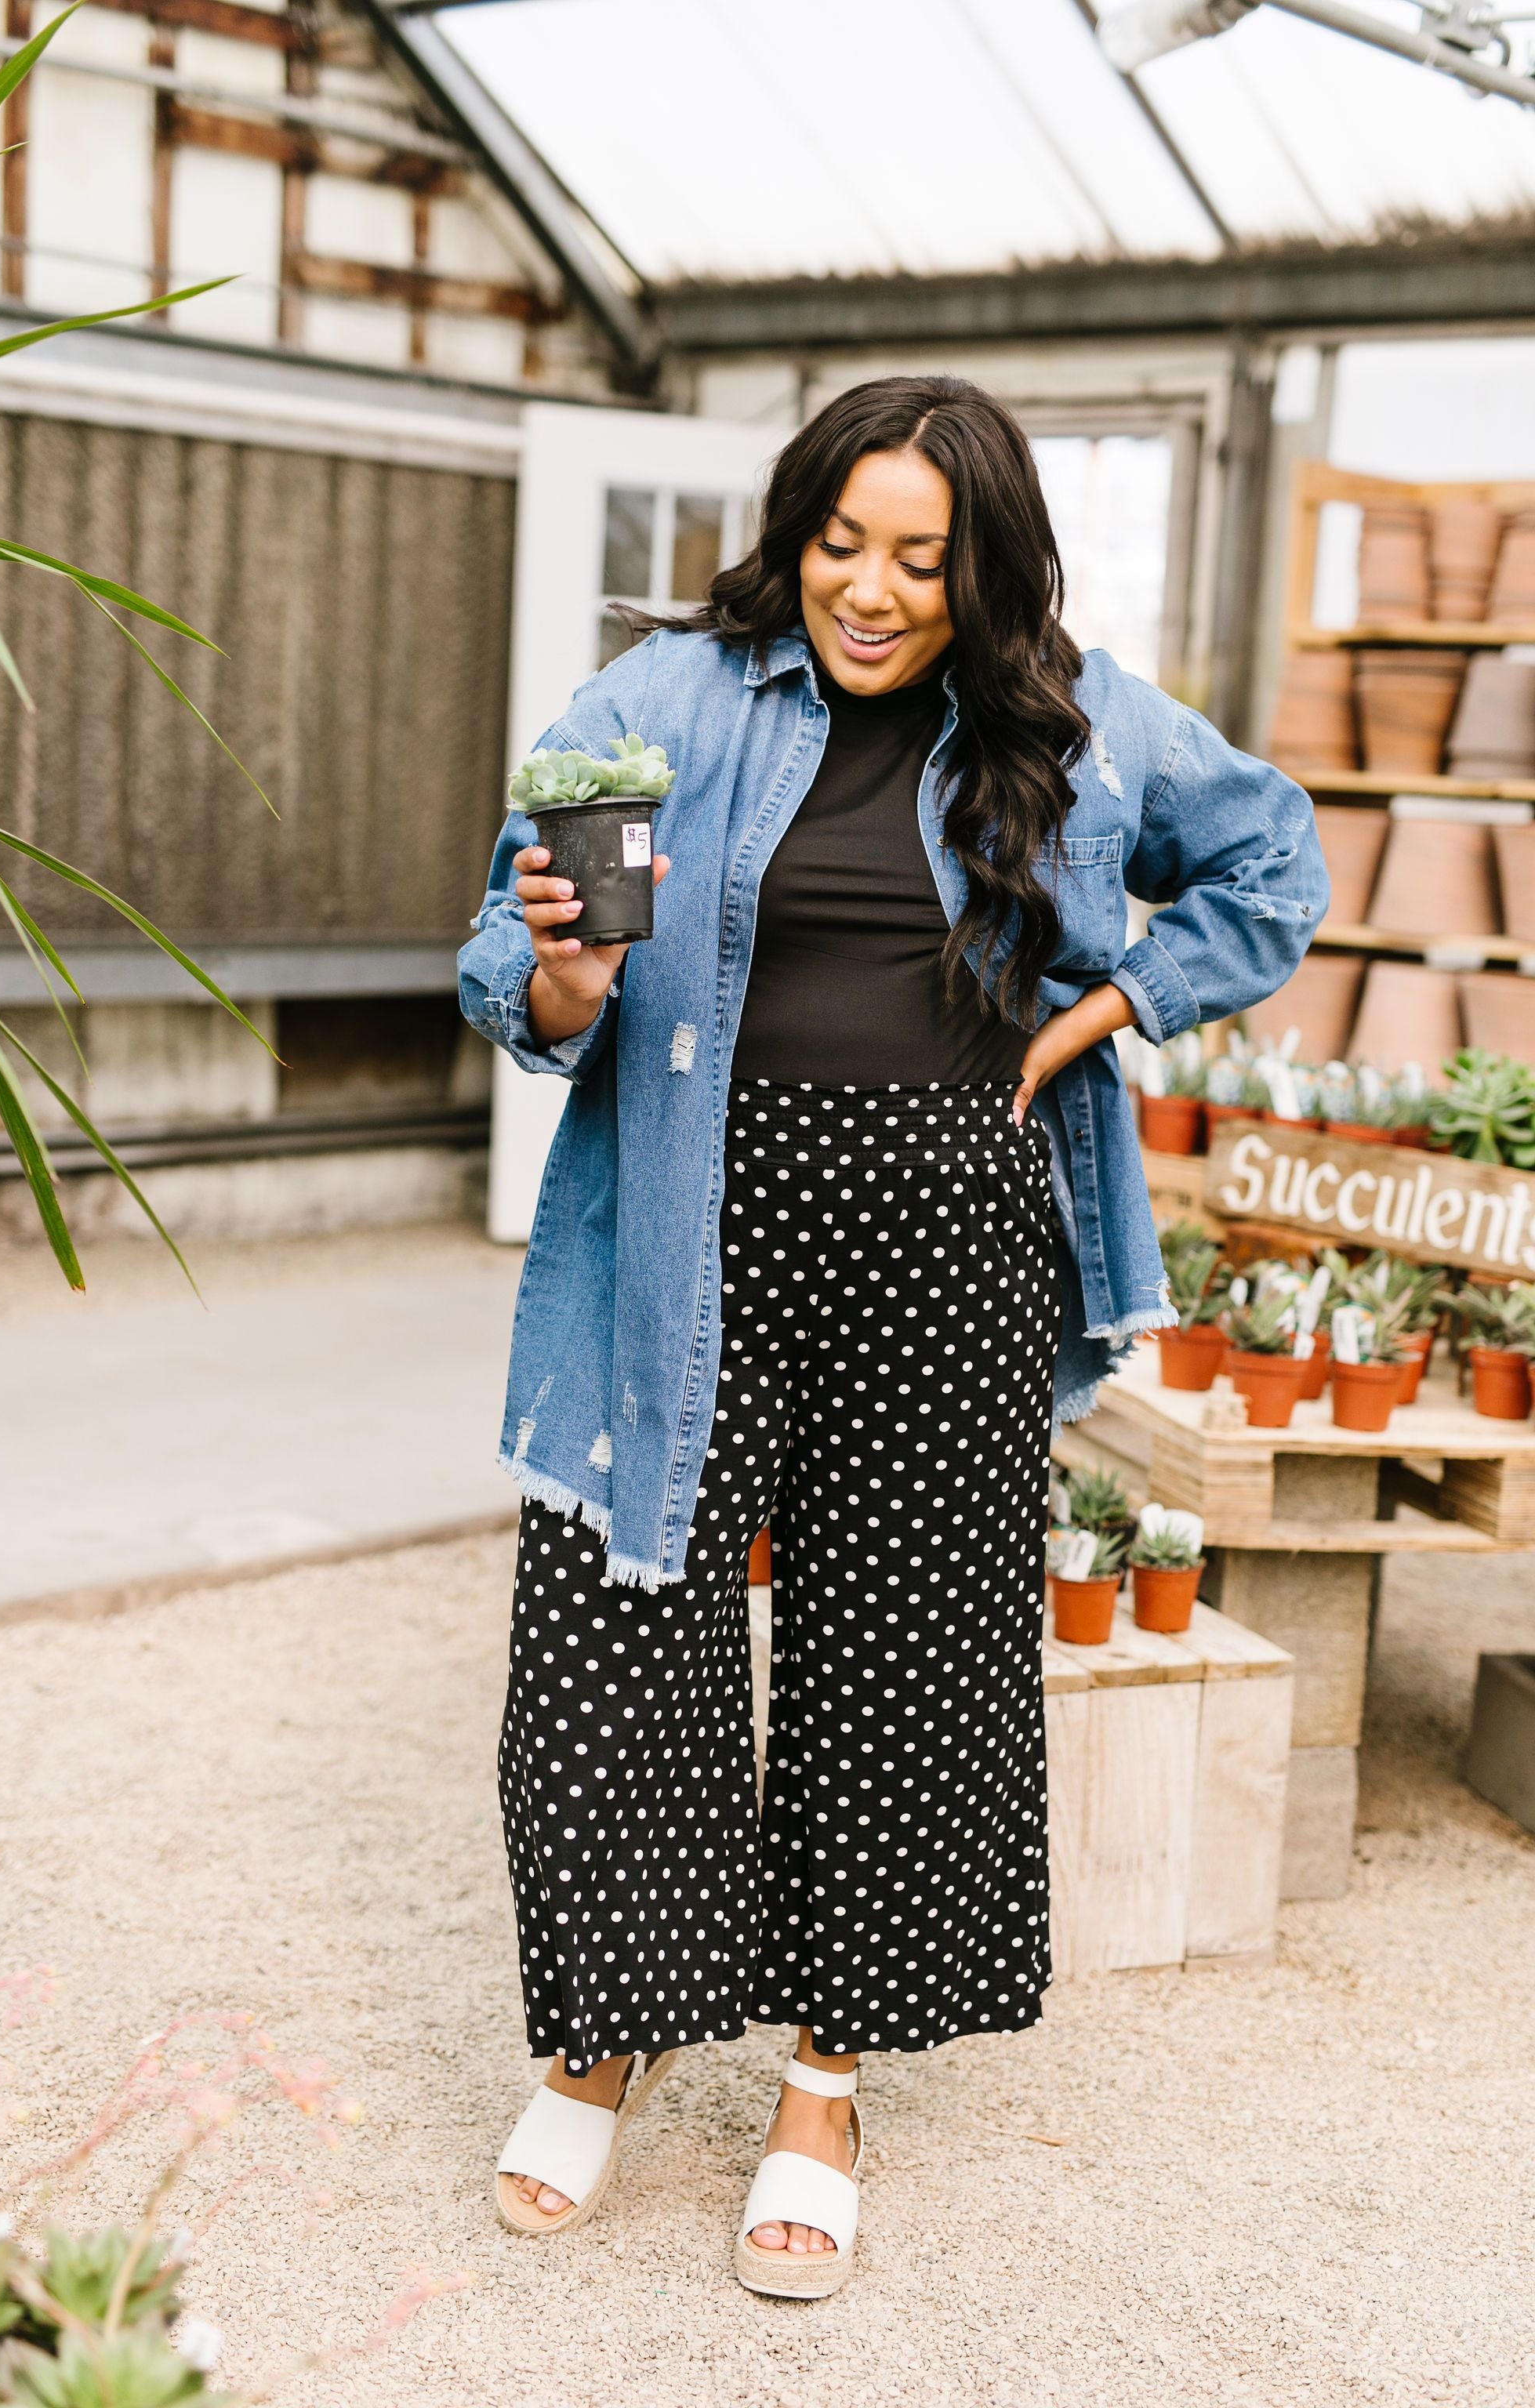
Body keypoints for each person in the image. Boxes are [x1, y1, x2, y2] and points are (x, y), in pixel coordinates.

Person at [457, 374, 1326, 2297]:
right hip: (689, 1234)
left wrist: (1100, 1015)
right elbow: (501, 972)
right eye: (841, 544)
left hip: (944, 1243)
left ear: (985, 569)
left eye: (921, 560)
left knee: (905, 1660)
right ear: (795, 529)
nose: (870, 591)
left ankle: (823, 2087)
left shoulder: (1074, 724)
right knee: (616, 1635)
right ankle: (601, 2046)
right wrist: (563, 970)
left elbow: (1277, 866)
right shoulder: (665, 699)